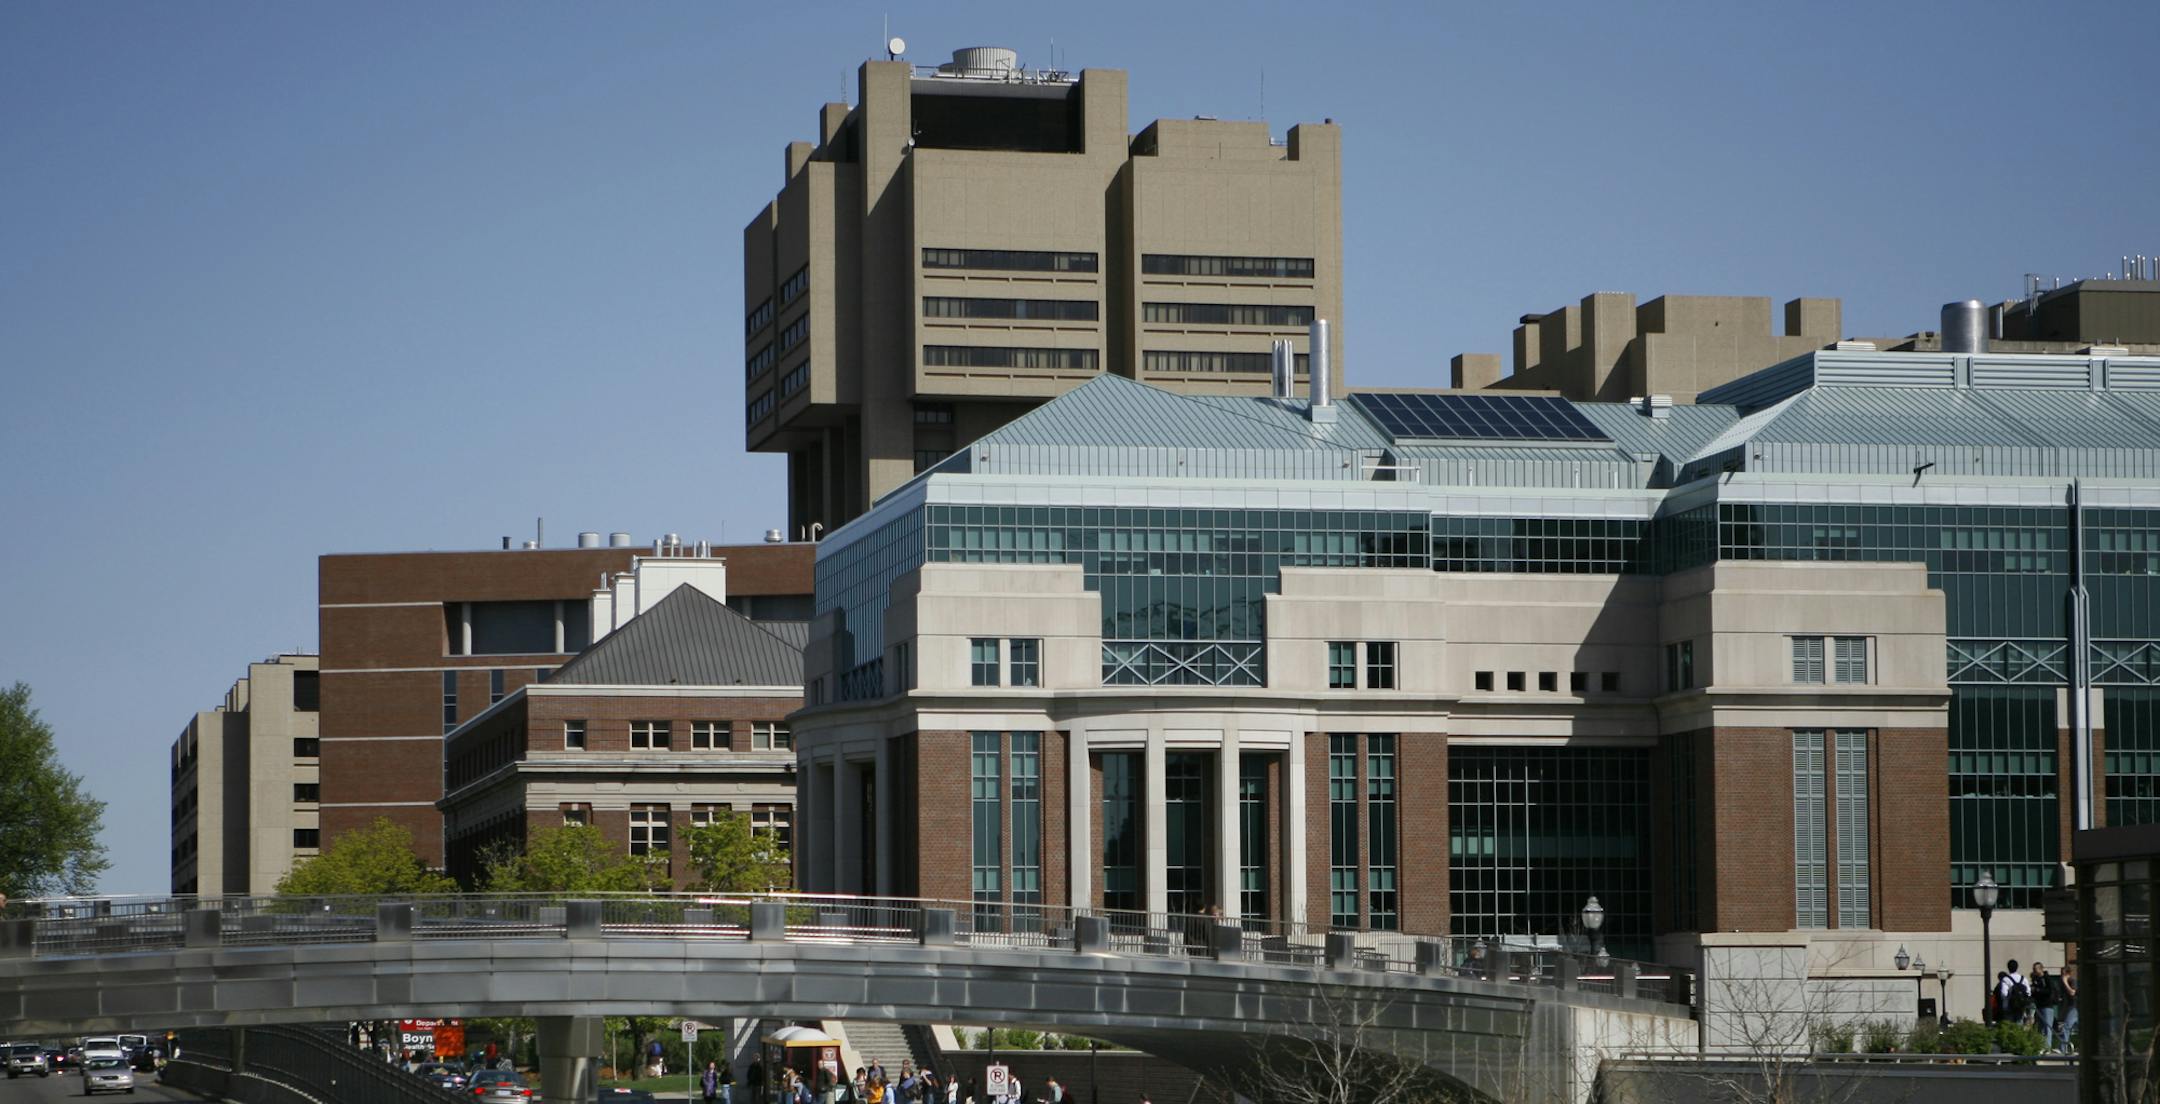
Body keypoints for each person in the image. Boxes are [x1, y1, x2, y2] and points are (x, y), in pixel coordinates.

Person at [2032, 962, 2063, 1049]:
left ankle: (2047, 1047)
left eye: (2035, 969)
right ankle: (2040, 1046)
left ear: (2041, 969)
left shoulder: (2046, 978)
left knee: (2047, 1027)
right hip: (2039, 1006)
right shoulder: (2036, 979)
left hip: (2047, 1006)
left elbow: (2049, 991)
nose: (2034, 971)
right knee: (2039, 1027)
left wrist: (2037, 990)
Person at [1997, 959, 2032, 1025]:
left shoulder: (2006, 979)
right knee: (2019, 1025)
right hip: (2021, 1006)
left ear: (2008, 967)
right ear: (2017, 967)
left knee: (2009, 1026)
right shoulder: (2023, 979)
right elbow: (2028, 992)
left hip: (2008, 1006)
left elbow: (2004, 994)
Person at [2060, 965, 2081, 1052]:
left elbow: (2072, 993)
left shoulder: (2072, 980)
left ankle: (2063, 1048)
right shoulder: (2066, 981)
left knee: (2066, 1027)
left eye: (2062, 973)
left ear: (2066, 973)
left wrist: (2065, 982)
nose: (2061, 975)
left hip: (2074, 1006)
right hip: (2070, 1006)